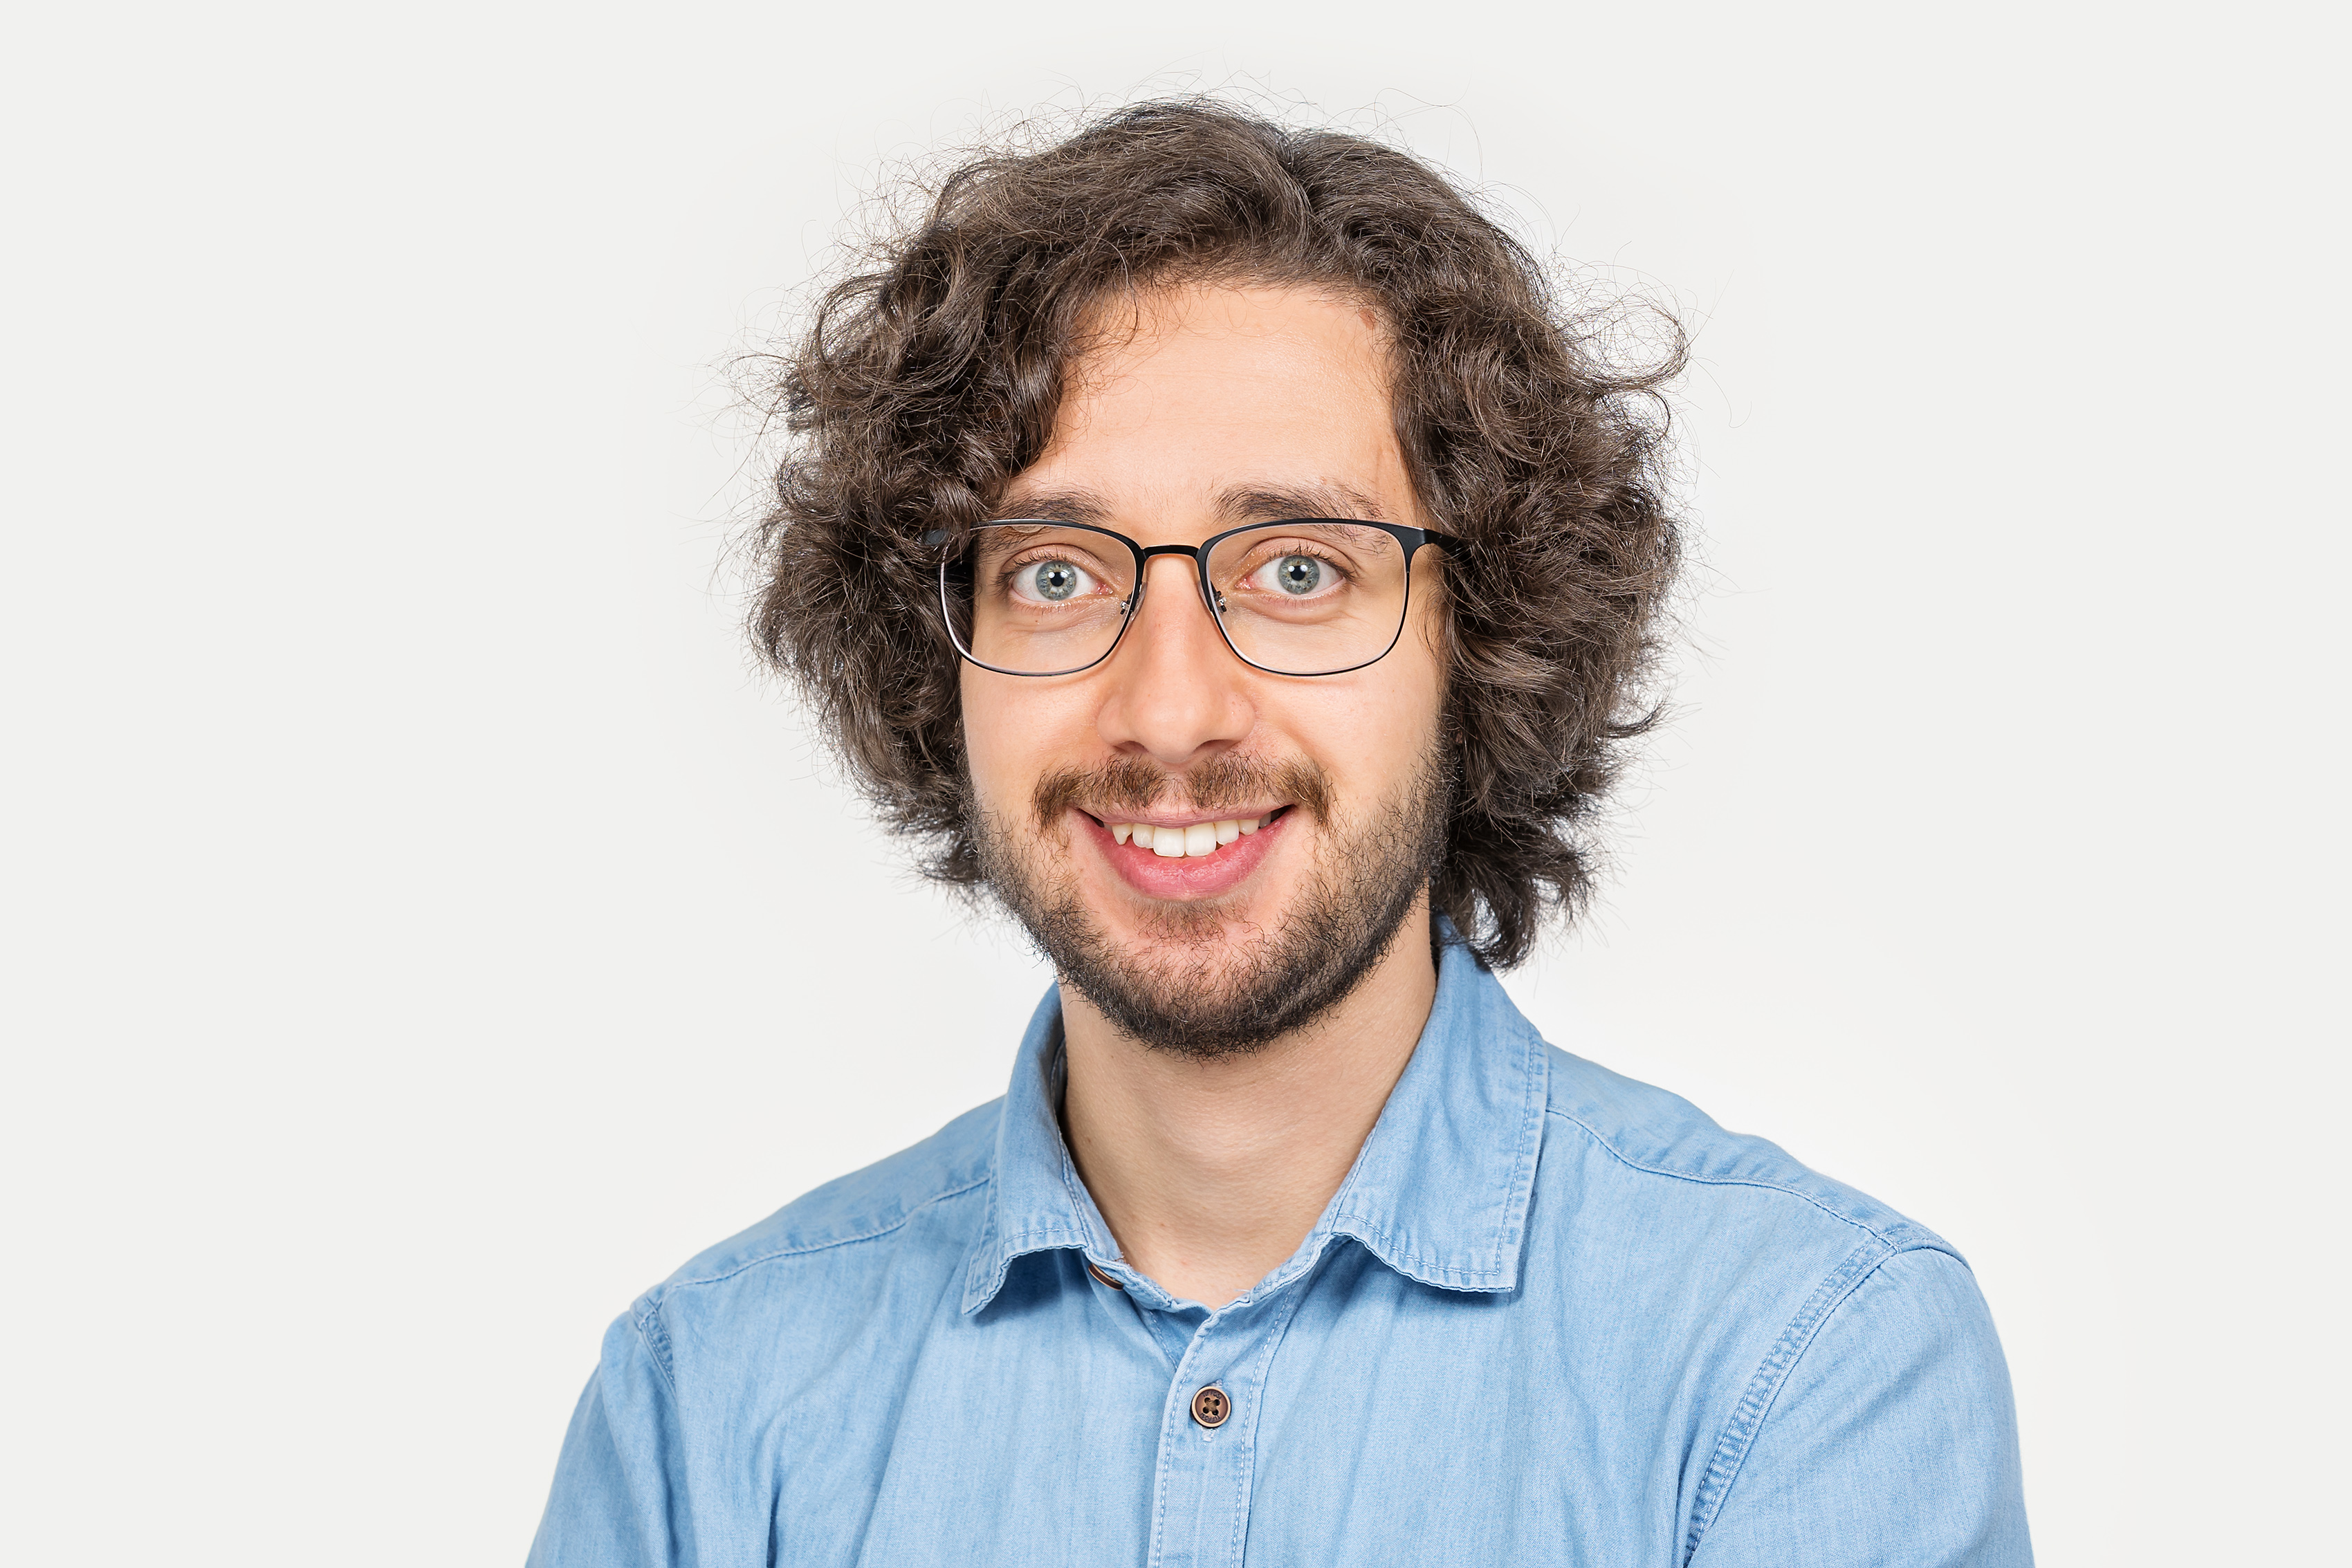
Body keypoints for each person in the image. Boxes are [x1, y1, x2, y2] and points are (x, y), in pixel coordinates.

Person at [529, 100, 2032, 1567]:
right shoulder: (704, 1410)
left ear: (1480, 641)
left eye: (1297, 570)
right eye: (1054, 574)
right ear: (942, 662)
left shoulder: (1802, 1361)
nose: (1170, 713)